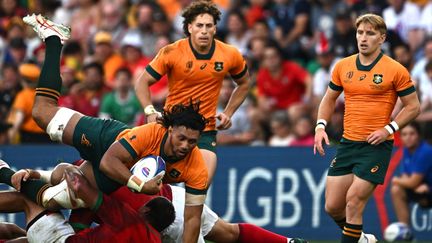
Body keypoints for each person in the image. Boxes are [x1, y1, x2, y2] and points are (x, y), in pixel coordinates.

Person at [21, 13, 210, 243]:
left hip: (116, 170)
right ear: (170, 130)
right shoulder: (151, 133)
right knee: (42, 114)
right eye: (182, 138)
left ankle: (7, 177)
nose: (186, 146)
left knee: (55, 198)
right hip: (106, 141)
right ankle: (54, 39)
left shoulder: (196, 169)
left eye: (192, 142)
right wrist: (140, 184)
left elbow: (192, 220)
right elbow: (109, 161)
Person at [314, 13, 420, 243]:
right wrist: (320, 127)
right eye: (360, 32)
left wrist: (388, 130)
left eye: (370, 33)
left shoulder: (395, 70)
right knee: (333, 207)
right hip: (347, 144)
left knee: (353, 201)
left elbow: (413, 107)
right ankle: (362, 239)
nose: (363, 38)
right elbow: (329, 98)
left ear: (381, 38)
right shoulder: (343, 66)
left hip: (376, 146)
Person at [11, 161, 308, 243]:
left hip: (170, 221)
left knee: (33, 208)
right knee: (228, 233)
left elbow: (78, 226)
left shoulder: (85, 193)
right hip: (175, 199)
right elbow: (61, 176)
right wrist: (37, 174)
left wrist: (35, 177)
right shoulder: (98, 167)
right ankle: (288, 242)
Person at [134, 0, 250, 185]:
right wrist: (149, 111)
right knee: (157, 185)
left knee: (200, 185)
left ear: (215, 28)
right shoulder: (171, 52)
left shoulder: (230, 54)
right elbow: (142, 83)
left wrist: (228, 112)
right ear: (189, 27)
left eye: (208, 26)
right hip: (171, 128)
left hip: (205, 131)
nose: (204, 30)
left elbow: (244, 83)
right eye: (199, 25)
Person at [0, 163, 175, 242]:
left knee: (28, 199)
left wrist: (69, 169)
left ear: (145, 209)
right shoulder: (155, 240)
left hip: (61, 240)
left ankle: (3, 172)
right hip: (68, 236)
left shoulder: (128, 218)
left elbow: (79, 186)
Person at [390, 122, 432, 230]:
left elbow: (412, 181)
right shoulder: (406, 150)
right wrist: (412, 184)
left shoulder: (425, 151)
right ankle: (405, 232)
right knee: (396, 190)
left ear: (418, 135)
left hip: (427, 190)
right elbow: (406, 177)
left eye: (412, 134)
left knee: (396, 184)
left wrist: (396, 179)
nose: (408, 138)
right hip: (421, 189)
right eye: (404, 134)